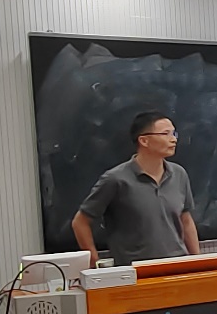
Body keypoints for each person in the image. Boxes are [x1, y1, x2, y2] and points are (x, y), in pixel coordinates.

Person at [71, 111, 200, 266]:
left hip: (177, 265)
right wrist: (93, 260)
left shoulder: (179, 174)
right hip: (135, 270)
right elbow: (80, 222)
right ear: (144, 140)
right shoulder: (116, 179)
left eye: (174, 133)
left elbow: (186, 220)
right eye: (165, 133)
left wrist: (197, 261)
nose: (173, 139)